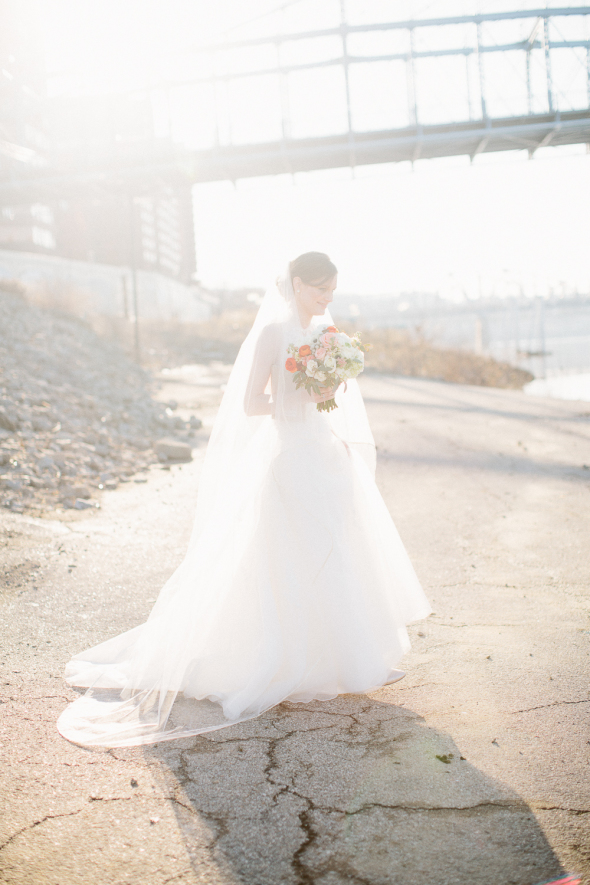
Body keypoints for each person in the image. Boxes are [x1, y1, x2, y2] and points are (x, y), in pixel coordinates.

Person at [57, 252, 431, 747]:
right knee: (286, 554)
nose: (327, 301)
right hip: (288, 454)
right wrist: (296, 398)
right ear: (297, 284)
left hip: (322, 448)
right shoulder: (274, 334)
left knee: (338, 546)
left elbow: (327, 400)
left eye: (333, 293)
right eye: (321, 291)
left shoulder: (326, 337)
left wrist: (325, 387)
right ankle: (282, 662)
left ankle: (344, 658)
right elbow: (252, 403)